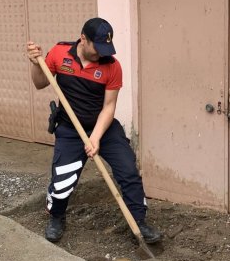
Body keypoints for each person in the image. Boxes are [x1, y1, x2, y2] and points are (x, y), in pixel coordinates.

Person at [26, 17, 161, 244]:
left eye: (105, 48)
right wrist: (35, 64)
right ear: (83, 39)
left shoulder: (112, 66)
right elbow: (40, 83)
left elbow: (109, 106)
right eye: (97, 48)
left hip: (104, 128)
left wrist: (95, 137)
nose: (101, 53)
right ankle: (57, 217)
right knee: (63, 180)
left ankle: (139, 221)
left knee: (128, 170)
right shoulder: (59, 54)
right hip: (70, 128)